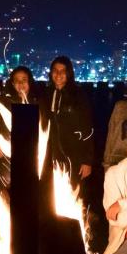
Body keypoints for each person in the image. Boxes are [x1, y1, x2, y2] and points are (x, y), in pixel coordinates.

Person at [41, 55, 94, 185]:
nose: (58, 74)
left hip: (73, 153)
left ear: (69, 73)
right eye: (55, 70)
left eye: (62, 71)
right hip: (49, 153)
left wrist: (87, 161)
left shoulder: (78, 95)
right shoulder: (45, 94)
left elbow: (88, 129)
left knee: (72, 190)